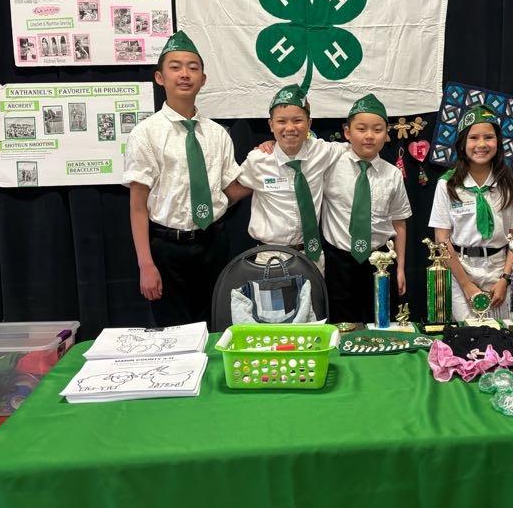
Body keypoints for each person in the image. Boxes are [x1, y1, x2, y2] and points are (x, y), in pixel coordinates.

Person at [123, 30, 247, 326]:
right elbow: (138, 206)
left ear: (203, 80)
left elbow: (231, 189)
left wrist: (270, 163)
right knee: (173, 332)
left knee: (215, 326)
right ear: (160, 77)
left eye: (193, 68)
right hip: (168, 250)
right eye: (175, 67)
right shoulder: (146, 133)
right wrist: (146, 265)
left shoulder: (217, 134)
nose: (185, 74)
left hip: (213, 244)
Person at [428, 105, 513, 322]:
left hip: (499, 269)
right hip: (460, 269)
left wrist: (505, 279)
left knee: (500, 333)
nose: (482, 144)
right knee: (468, 336)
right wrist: (466, 285)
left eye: (489, 137)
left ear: (498, 142)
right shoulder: (447, 184)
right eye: (473, 137)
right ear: (463, 143)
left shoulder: (510, 184)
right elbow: (441, 239)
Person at [322, 94, 411, 323]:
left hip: (380, 260)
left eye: (377, 129)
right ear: (347, 132)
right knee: (342, 327)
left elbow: (399, 224)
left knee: (382, 323)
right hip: (339, 261)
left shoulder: (392, 174)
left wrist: (400, 267)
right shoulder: (330, 164)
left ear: (386, 134)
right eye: (361, 129)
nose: (369, 136)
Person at [236, 85, 346, 268]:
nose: (290, 128)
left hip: (311, 254)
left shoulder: (321, 151)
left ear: (309, 124)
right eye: (281, 121)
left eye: (297, 120)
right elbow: (234, 189)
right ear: (271, 125)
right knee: (272, 298)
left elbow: (355, 149)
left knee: (315, 297)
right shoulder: (258, 160)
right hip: (269, 256)